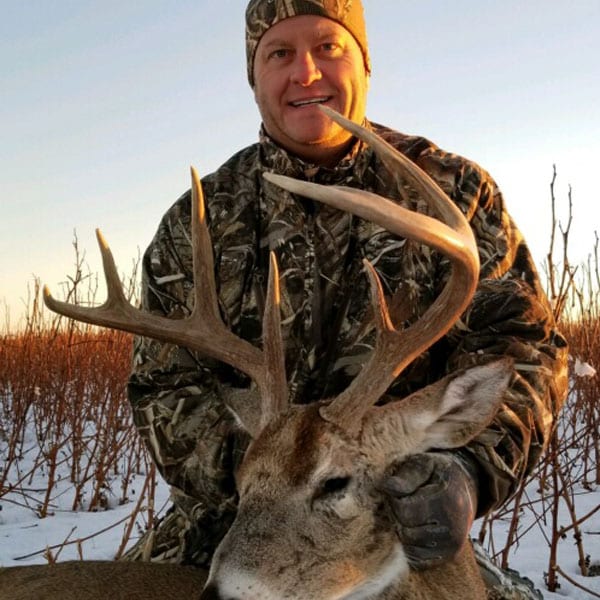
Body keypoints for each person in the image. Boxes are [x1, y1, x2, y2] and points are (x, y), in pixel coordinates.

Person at [124, 1, 568, 597]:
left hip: (398, 522)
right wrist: (265, 470)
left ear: (363, 63)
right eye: (279, 53)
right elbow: (163, 386)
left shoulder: (451, 194)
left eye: (328, 48)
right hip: (232, 524)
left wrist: (466, 472)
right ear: (254, 76)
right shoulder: (200, 222)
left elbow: (524, 350)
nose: (305, 72)